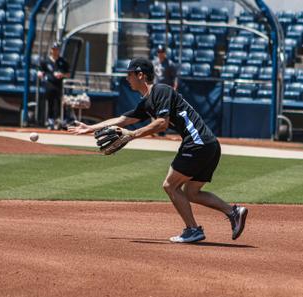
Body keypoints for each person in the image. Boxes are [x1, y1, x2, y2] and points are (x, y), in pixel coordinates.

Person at [68, 57, 248, 243]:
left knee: (170, 185)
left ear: (141, 75)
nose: (127, 78)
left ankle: (193, 229)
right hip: (208, 145)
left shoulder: (161, 91)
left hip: (197, 143)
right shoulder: (146, 102)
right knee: (191, 193)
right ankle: (233, 212)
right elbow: (122, 119)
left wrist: (133, 134)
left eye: (129, 74)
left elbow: (162, 123)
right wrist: (90, 128)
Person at [37, 42, 70, 130]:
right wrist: (40, 74)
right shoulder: (45, 61)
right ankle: (50, 120)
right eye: (53, 49)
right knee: (50, 102)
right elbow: (40, 71)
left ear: (59, 50)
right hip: (49, 84)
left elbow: (68, 74)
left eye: (56, 49)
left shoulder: (63, 61)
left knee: (60, 103)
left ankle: (60, 120)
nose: (55, 51)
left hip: (59, 85)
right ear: (51, 50)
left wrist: (61, 75)